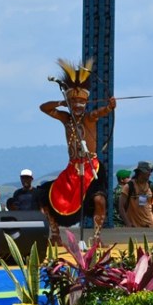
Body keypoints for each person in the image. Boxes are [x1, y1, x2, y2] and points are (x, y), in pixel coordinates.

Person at [36, 58, 116, 245]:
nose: (78, 105)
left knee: (99, 201)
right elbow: (43, 108)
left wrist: (110, 107)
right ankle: (55, 235)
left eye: (82, 102)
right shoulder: (66, 119)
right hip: (73, 169)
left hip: (91, 167)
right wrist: (61, 102)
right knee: (45, 196)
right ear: (70, 103)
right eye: (74, 101)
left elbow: (100, 113)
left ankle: (96, 238)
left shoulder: (89, 118)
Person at [118, 161, 153, 228]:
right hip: (134, 226)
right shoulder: (129, 187)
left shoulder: (152, 187)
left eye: (150, 171)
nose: (149, 174)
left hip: (150, 226)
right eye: (147, 171)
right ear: (140, 172)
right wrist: (128, 224)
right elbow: (121, 207)